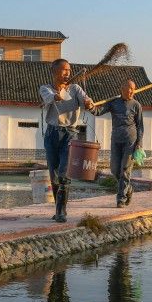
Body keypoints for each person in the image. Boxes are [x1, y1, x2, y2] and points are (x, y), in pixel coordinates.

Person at [39, 59, 94, 222]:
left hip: (70, 134)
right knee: (53, 173)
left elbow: (86, 100)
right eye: (63, 70)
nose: (67, 73)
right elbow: (53, 98)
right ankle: (58, 208)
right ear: (54, 72)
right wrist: (60, 92)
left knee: (64, 173)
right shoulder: (45, 88)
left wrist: (88, 103)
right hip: (51, 134)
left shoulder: (76, 88)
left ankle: (61, 211)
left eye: (69, 70)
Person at [92, 79, 143, 208]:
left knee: (125, 169)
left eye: (133, 89)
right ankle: (129, 189)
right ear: (122, 88)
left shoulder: (136, 105)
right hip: (116, 139)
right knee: (115, 169)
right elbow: (98, 112)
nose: (131, 91)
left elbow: (140, 126)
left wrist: (139, 143)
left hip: (130, 141)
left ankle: (121, 198)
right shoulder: (114, 103)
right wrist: (90, 106)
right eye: (129, 88)